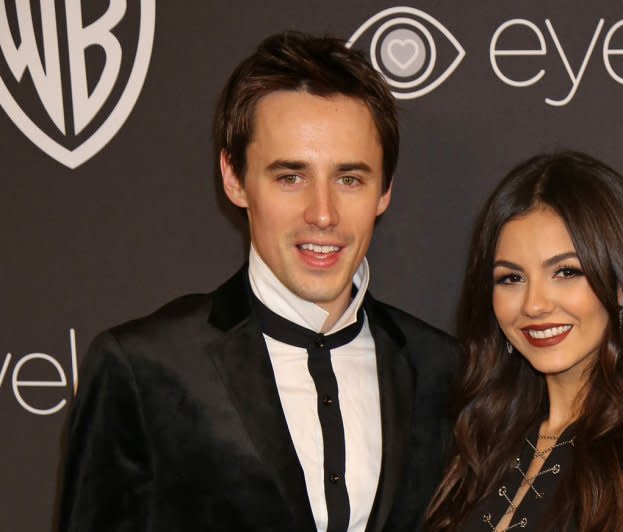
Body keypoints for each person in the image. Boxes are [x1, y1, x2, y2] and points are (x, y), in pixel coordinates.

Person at [59, 32, 456, 532]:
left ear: (384, 191)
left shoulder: (442, 371)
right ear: (234, 177)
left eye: (349, 178)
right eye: (290, 177)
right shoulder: (143, 369)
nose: (323, 213)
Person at [426, 151, 623, 531]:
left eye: (565, 272)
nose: (534, 305)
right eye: (511, 278)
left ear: (622, 287)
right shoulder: (478, 443)